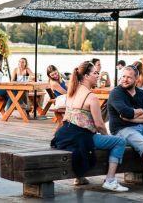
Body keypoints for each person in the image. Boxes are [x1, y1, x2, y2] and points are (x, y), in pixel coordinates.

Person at [51, 61, 129, 191]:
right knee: (120, 141)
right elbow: (99, 125)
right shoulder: (91, 96)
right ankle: (110, 180)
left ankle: (80, 177)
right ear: (86, 76)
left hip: (63, 135)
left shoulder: (72, 91)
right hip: (80, 137)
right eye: (95, 73)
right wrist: (107, 137)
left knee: (92, 137)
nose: (98, 76)